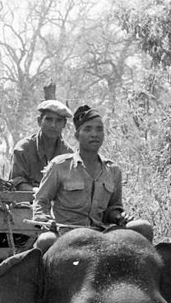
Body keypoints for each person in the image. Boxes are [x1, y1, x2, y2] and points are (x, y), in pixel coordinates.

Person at [32, 105, 153, 247]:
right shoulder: (60, 165)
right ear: (77, 135)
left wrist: (119, 217)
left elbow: (113, 208)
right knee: (45, 242)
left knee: (143, 227)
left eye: (99, 129)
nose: (94, 134)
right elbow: (41, 201)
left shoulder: (113, 170)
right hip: (66, 233)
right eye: (88, 129)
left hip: (101, 233)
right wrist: (45, 221)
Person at [9, 100, 73, 192]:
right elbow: (16, 182)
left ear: (64, 124)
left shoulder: (68, 154)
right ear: (39, 121)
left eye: (58, 121)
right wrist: (38, 191)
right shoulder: (23, 149)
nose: (53, 125)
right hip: (25, 203)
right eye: (48, 119)